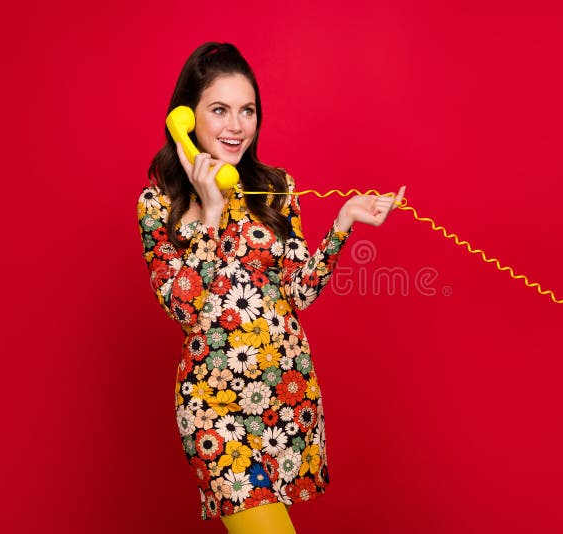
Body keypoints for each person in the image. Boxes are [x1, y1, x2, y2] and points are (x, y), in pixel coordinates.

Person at [136, 42, 405, 534]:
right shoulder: (159, 204)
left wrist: (343, 223)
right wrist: (212, 212)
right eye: (219, 110)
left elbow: (298, 292)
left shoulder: (276, 187)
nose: (236, 126)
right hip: (214, 409)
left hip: (281, 396)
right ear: (185, 118)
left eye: (247, 111)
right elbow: (184, 307)